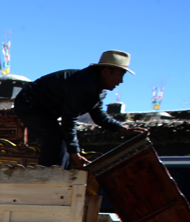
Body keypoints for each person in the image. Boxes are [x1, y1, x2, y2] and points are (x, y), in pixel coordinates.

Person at [13, 50, 145, 169]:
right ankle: (47, 175)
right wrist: (76, 155)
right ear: (106, 71)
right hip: (29, 103)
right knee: (55, 138)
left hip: (46, 110)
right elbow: (69, 120)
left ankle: (59, 172)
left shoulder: (98, 90)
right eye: (119, 75)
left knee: (61, 139)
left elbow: (99, 116)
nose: (121, 81)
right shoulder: (83, 84)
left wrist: (124, 129)